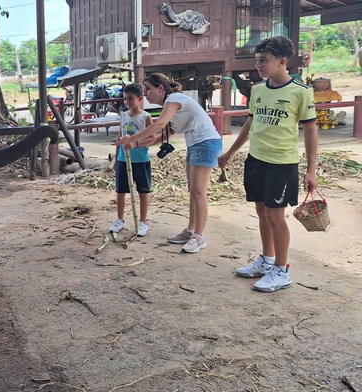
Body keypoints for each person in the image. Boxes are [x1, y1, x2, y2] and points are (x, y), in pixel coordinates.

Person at [218, 36, 318, 293]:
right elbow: (251, 124)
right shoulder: (259, 89)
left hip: (281, 164)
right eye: (257, 60)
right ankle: (267, 260)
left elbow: (310, 131)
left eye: (264, 60)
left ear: (282, 62)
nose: (258, 65)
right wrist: (230, 152)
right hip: (256, 160)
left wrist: (310, 170)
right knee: (261, 212)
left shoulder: (301, 92)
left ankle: (282, 271)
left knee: (276, 215)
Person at [116, 73, 221, 253]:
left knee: (198, 192)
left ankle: (199, 236)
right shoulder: (170, 104)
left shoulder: (173, 99)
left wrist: (132, 137)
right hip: (196, 144)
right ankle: (191, 230)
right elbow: (166, 134)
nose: (147, 94)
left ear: (160, 89)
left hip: (206, 142)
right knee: (193, 191)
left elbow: (159, 125)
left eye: (148, 89)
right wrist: (135, 144)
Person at [109, 83, 156, 237]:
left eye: (130, 99)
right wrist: (116, 157)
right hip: (124, 159)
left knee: (143, 192)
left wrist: (136, 144)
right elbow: (119, 137)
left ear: (140, 99)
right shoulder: (123, 116)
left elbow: (152, 138)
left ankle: (142, 222)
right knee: (121, 191)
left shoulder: (145, 117)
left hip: (140, 159)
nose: (127, 102)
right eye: (125, 99)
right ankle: (120, 220)